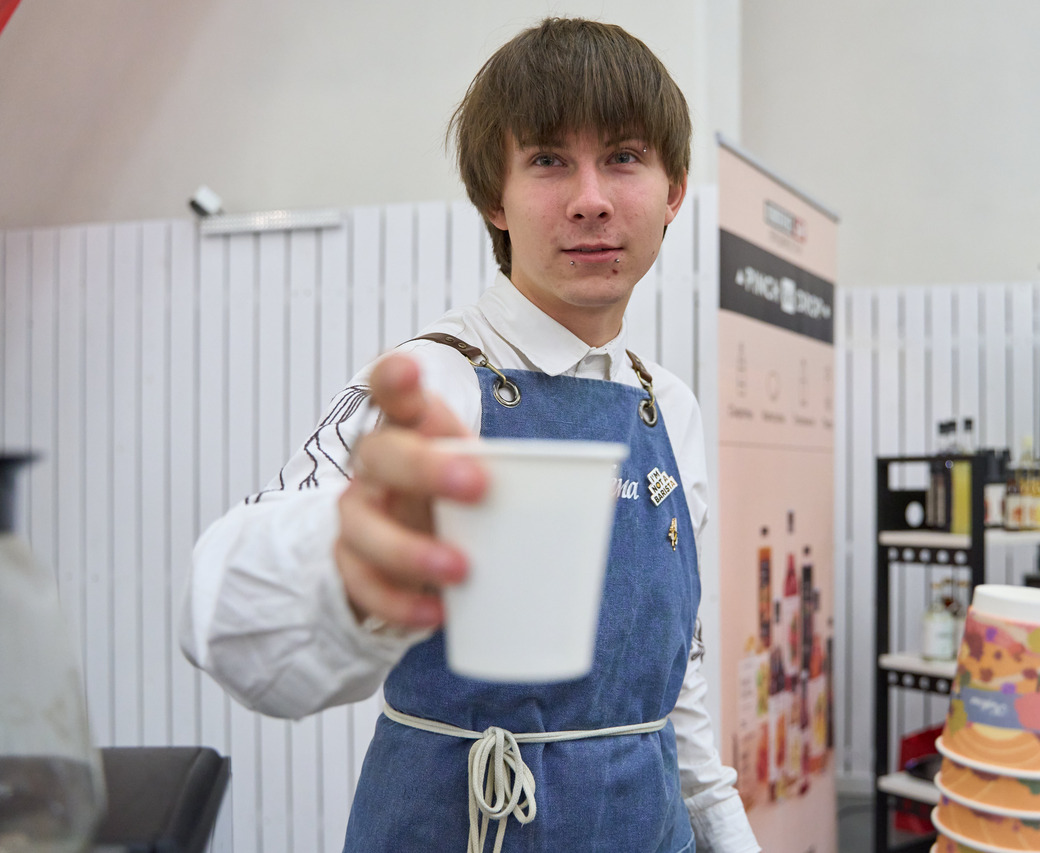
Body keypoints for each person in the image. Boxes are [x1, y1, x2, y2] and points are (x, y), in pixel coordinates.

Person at [181, 16, 761, 853]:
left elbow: (682, 682)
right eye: (549, 160)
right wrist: (341, 562)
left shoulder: (668, 406)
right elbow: (219, 607)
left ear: (673, 192)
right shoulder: (433, 384)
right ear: (496, 196)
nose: (591, 198)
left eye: (624, 157)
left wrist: (731, 836)